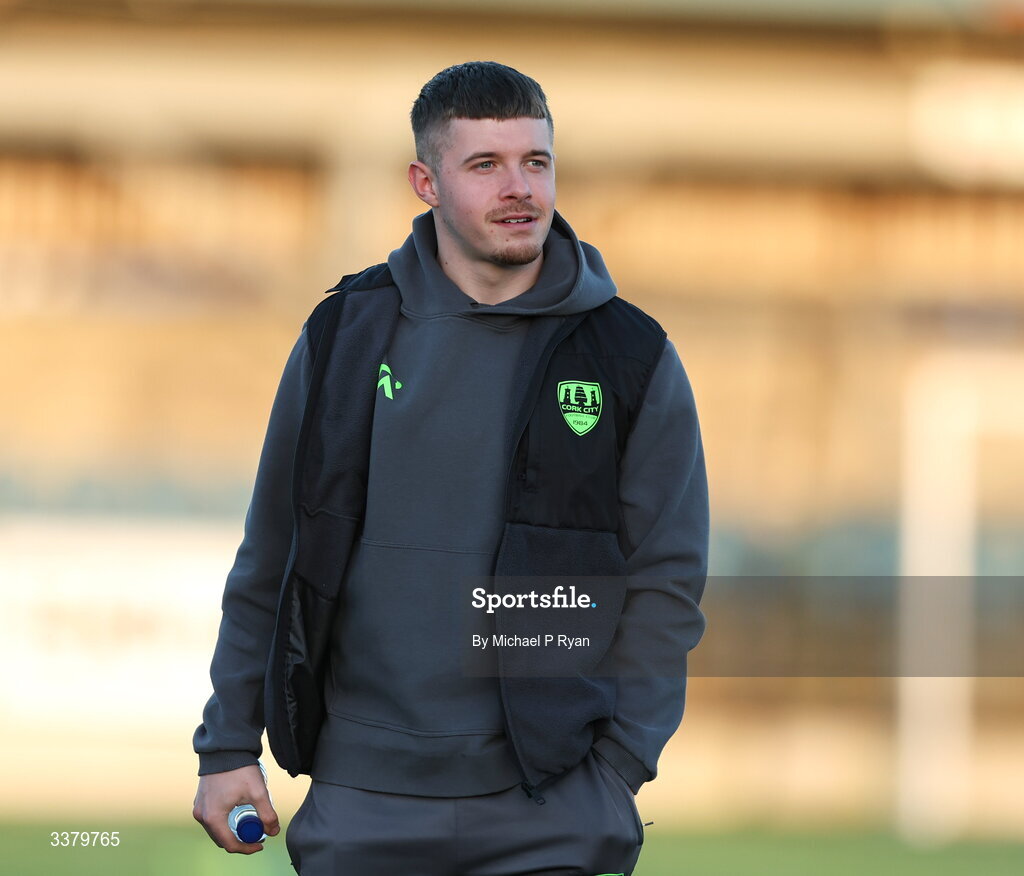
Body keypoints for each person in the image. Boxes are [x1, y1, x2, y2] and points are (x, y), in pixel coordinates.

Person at [192, 60, 709, 876]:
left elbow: (667, 580)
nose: (520, 189)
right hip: (365, 803)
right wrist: (226, 743)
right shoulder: (345, 334)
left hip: (554, 805)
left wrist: (617, 772)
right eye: (485, 165)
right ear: (425, 182)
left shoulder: (630, 353)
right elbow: (273, 553)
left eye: (535, 162)